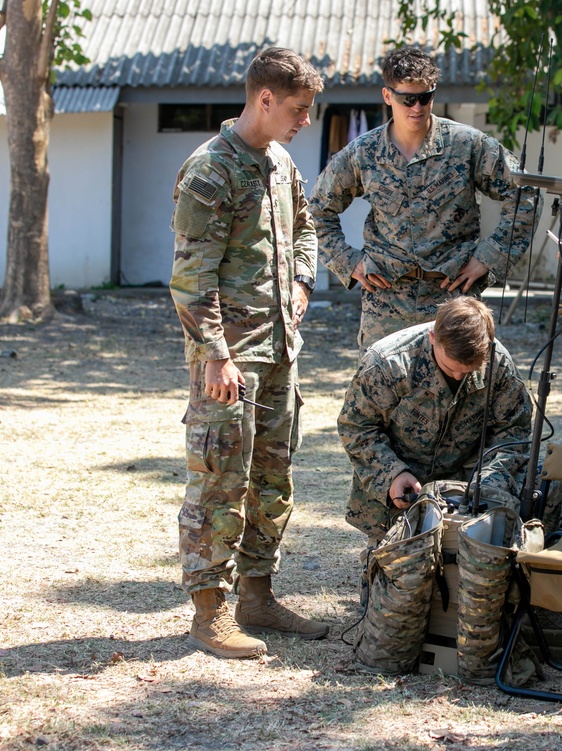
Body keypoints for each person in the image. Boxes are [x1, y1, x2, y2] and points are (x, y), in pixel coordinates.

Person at [169, 47, 329, 659]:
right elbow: (190, 277)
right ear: (264, 99)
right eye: (298, 109)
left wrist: (304, 285)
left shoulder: (281, 161)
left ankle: (257, 596)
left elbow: (307, 227)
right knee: (218, 481)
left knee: (272, 479)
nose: (305, 120)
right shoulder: (211, 171)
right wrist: (214, 354)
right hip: (228, 359)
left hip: (279, 350)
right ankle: (210, 613)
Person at [309, 46, 538, 352]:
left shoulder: (465, 145)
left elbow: (525, 194)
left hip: (452, 298)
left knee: (459, 388)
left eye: (425, 97)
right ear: (388, 96)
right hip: (386, 301)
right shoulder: (364, 153)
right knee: (382, 393)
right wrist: (348, 262)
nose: (417, 107)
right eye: (407, 99)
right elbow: (316, 211)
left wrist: (489, 256)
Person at [338, 297, 533, 550]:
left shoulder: (499, 365)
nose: (458, 376)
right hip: (404, 489)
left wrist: (489, 484)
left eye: (469, 370)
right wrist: (392, 474)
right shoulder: (387, 362)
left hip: (468, 486)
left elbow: (513, 433)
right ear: (432, 337)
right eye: (450, 367)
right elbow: (357, 427)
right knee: (397, 575)